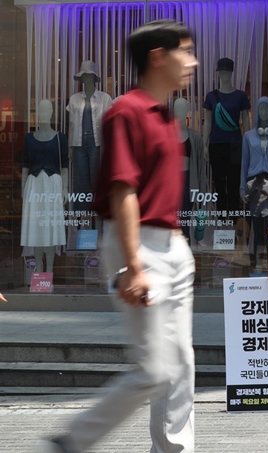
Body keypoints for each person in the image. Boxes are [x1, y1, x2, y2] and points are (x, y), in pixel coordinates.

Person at [39, 20, 198, 453]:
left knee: (181, 366)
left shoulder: (166, 116)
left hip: (172, 247)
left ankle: (174, 450)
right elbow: (123, 189)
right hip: (139, 245)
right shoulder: (127, 110)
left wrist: (180, 250)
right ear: (157, 57)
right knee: (155, 370)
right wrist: (133, 264)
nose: (193, 60)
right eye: (185, 51)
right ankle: (70, 442)